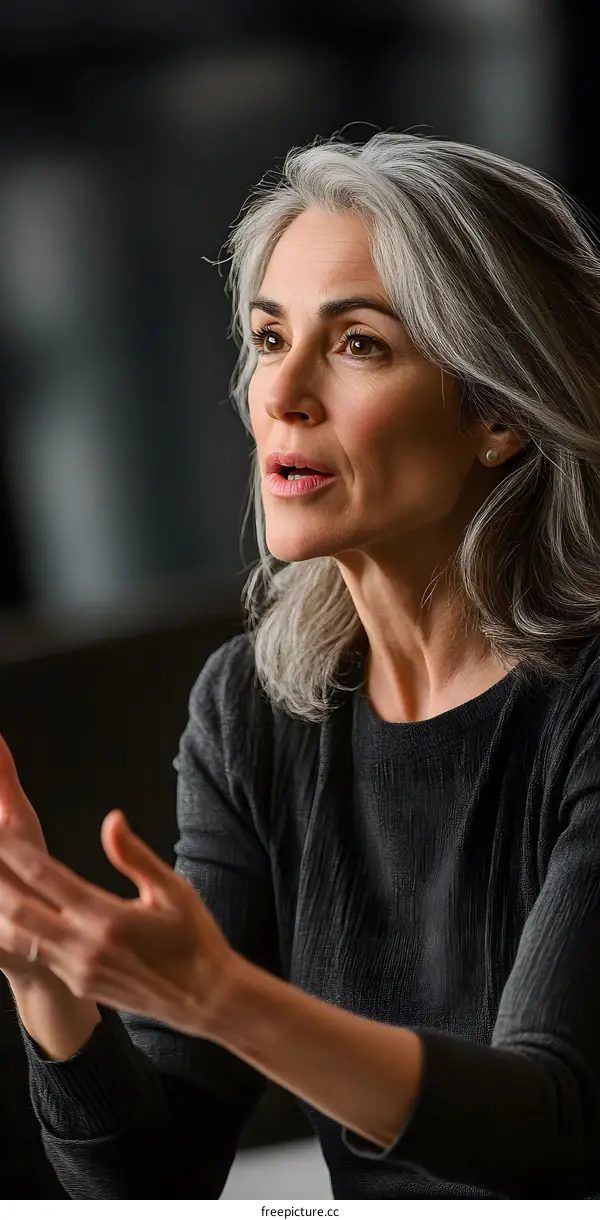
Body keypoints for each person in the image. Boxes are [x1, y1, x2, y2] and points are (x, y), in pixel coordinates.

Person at [2, 129, 600, 1201]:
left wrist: (224, 997)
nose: (283, 393)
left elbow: (553, 1134)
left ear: (500, 413)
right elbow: (152, 1177)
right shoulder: (253, 712)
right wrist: (46, 979)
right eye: (270, 339)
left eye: (358, 343)